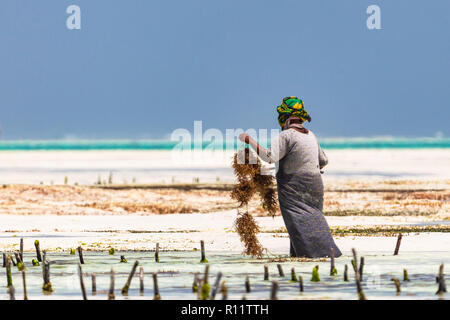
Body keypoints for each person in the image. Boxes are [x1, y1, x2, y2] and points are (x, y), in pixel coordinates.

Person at [239, 96, 342, 258]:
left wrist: (249, 140)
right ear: (300, 118)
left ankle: (315, 254)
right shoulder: (311, 135)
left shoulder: (286, 136)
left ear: (285, 119)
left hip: (294, 186)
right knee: (312, 219)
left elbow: (269, 157)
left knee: (298, 221)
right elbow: (324, 160)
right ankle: (302, 254)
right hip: (315, 184)